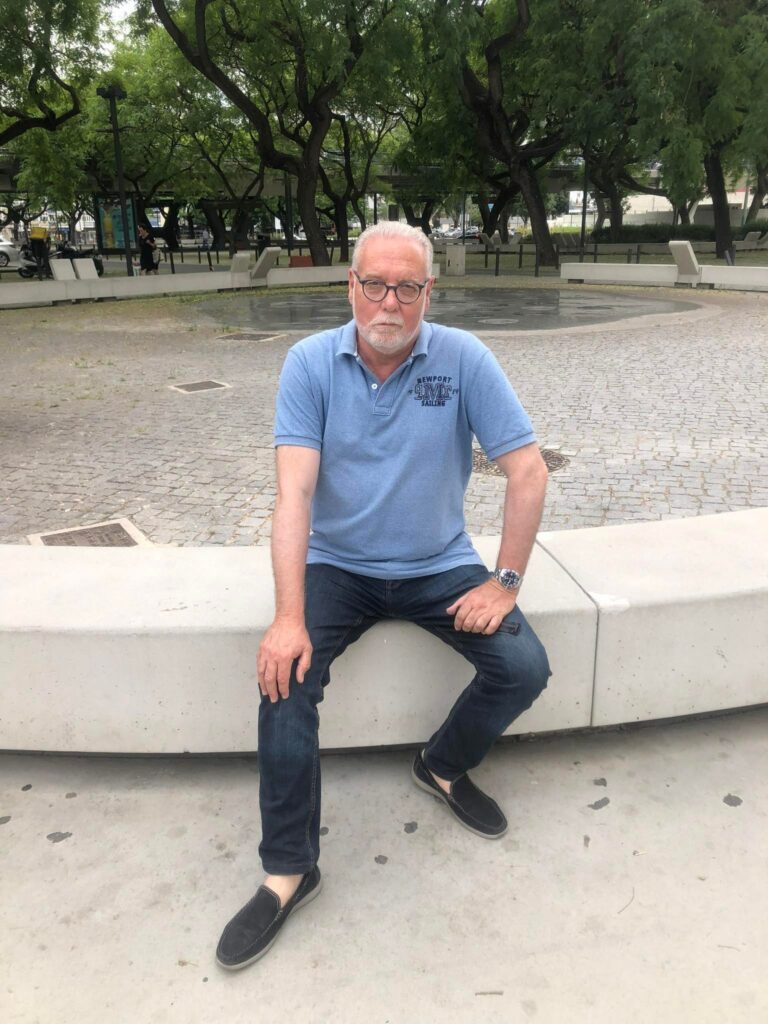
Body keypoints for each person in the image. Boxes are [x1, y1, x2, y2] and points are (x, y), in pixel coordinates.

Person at [215, 221, 551, 971]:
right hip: (339, 565)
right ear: (351, 286)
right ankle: (289, 870)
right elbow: (294, 496)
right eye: (374, 285)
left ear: (430, 291)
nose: (389, 303)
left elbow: (528, 471)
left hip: (438, 562)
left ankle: (441, 764)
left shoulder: (463, 358)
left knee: (524, 666)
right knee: (284, 680)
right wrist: (289, 617)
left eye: (407, 288)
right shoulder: (310, 363)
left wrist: (504, 582)